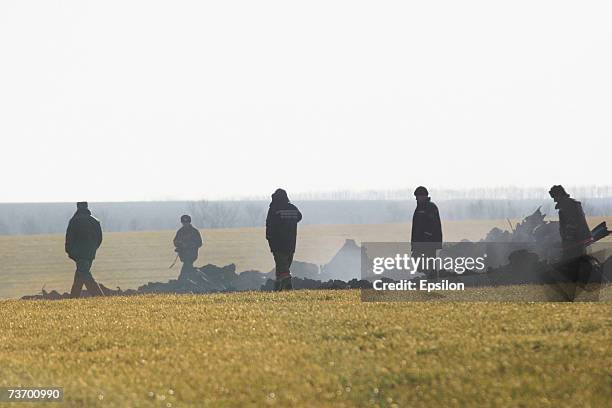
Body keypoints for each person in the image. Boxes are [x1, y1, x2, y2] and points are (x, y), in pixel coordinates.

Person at [549, 185, 595, 300]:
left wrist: (568, 241)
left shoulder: (568, 206)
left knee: (570, 263)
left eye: (555, 196)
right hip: (578, 240)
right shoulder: (571, 204)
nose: (554, 199)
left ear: (559, 195)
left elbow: (572, 224)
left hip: (574, 241)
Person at [65, 202, 104, 298]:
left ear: (77, 207)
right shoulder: (95, 221)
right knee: (80, 275)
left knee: (85, 274)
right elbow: (99, 239)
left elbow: (69, 239)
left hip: (78, 254)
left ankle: (99, 297)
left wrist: (70, 252)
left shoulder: (74, 221)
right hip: (90, 253)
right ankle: (73, 298)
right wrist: (93, 249)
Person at [266, 188, 302, 291]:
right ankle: (279, 287)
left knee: (282, 266)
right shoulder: (292, 208)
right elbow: (299, 217)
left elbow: (269, 224)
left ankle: (287, 285)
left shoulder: (274, 209)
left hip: (277, 243)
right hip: (291, 243)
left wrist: (269, 238)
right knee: (284, 265)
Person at [411, 186, 443, 278]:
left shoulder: (431, 207)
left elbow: (434, 225)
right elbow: (416, 227)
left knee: (429, 262)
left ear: (423, 196)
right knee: (418, 259)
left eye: (417, 196)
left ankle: (432, 281)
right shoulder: (419, 208)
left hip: (428, 242)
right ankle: (430, 277)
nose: (416, 198)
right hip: (420, 242)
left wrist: (428, 236)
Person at [173, 214, 203, 280]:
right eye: (184, 223)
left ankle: (183, 279)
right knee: (188, 267)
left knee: (187, 266)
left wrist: (190, 245)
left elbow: (199, 243)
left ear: (189, 222)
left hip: (192, 254)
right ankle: (188, 279)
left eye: (186, 222)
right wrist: (180, 244)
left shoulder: (194, 232)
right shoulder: (180, 232)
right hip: (183, 254)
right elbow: (175, 241)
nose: (185, 224)